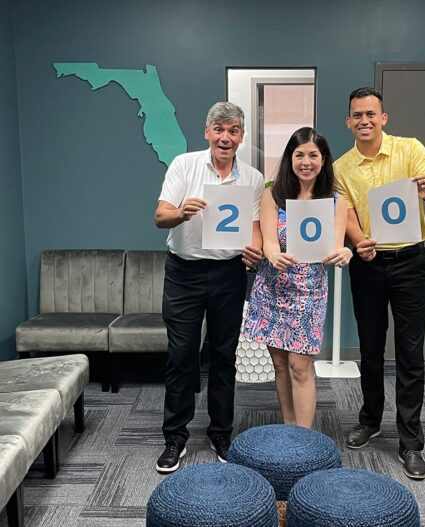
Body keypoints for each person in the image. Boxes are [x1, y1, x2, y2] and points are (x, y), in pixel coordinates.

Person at [333, 87, 425, 480]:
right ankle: (370, 420)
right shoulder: (341, 166)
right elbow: (345, 213)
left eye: (371, 114)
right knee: (370, 348)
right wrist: (356, 239)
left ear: (384, 118)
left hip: (410, 262)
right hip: (368, 265)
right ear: (348, 122)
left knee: (410, 352)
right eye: (356, 116)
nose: (364, 121)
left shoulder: (410, 149)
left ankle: (411, 442)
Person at [153, 102, 265, 474]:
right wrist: (182, 212)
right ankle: (175, 437)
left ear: (241, 137)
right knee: (181, 355)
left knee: (224, 356)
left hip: (229, 275)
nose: (225, 138)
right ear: (207, 132)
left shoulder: (252, 177)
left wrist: (255, 252)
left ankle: (221, 432)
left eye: (233, 131)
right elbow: (160, 216)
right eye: (219, 129)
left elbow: (253, 230)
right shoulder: (184, 165)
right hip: (183, 273)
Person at [242, 127, 350, 429]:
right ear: (290, 158)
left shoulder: (334, 201)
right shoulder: (273, 194)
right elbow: (269, 241)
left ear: (323, 159)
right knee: (279, 364)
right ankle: (289, 428)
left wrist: (345, 254)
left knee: (300, 366)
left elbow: (335, 246)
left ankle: (305, 437)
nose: (306, 161)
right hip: (272, 289)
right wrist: (272, 254)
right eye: (299, 154)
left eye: (313, 155)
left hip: (309, 292)